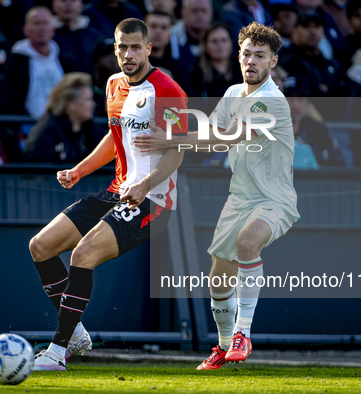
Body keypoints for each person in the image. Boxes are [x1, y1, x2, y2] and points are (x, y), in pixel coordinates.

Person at [134, 21, 299, 369]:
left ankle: (243, 332)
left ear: (273, 61)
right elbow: (211, 132)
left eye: (260, 55)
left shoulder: (272, 99)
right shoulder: (232, 93)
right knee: (218, 277)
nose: (251, 61)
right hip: (239, 197)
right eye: (246, 54)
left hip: (275, 198)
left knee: (247, 243)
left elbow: (227, 137)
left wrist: (168, 140)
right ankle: (224, 347)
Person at [30, 18, 187, 371]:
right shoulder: (114, 84)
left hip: (153, 200)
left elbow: (177, 152)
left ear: (149, 48)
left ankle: (57, 351)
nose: (128, 54)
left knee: (82, 255)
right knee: (41, 246)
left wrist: (145, 185)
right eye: (122, 47)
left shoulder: (169, 91)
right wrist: (80, 170)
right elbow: (114, 139)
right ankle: (76, 333)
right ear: (114, 48)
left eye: (135, 47)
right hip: (116, 191)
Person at [5, 6, 76, 119]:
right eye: (36, 23)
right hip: (26, 124)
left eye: (45, 23)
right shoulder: (16, 61)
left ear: (53, 28)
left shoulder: (65, 59)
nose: (41, 28)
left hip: (61, 124)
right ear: (25, 29)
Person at [24, 73, 102, 163]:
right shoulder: (46, 131)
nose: (93, 104)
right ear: (70, 103)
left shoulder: (92, 129)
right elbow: (38, 170)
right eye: (88, 99)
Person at [285, 76, 344, 166]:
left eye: (301, 98)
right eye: (290, 97)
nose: (295, 104)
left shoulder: (319, 130)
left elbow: (338, 164)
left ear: (308, 102)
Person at [52, 0, 106, 75]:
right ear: (53, 4)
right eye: (63, 0)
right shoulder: (46, 35)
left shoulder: (95, 36)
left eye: (73, 1)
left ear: (82, 5)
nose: (68, 4)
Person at [188, 22, 241, 98]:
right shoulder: (195, 75)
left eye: (224, 40)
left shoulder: (243, 70)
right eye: (214, 41)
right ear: (205, 46)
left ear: (231, 43)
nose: (220, 45)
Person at [91, 38, 120, 118]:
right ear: (96, 59)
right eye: (107, 55)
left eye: (116, 56)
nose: (113, 61)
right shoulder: (86, 88)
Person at [145, 11, 178, 78]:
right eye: (153, 26)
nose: (158, 31)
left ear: (170, 34)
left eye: (164, 27)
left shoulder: (179, 68)